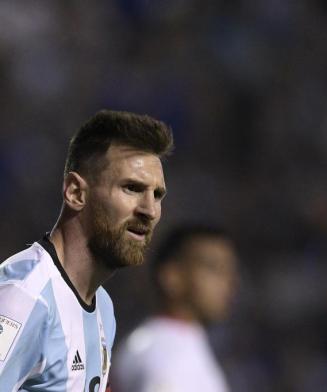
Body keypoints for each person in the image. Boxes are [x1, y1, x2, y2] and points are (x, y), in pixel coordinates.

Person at [0, 110, 173, 391]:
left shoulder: (103, 308)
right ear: (76, 193)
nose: (149, 210)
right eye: (131, 188)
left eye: (157, 195)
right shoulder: (23, 298)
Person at [111, 225, 238, 392]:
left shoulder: (174, 341)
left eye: (229, 271)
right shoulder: (167, 356)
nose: (228, 282)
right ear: (172, 276)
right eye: (213, 268)